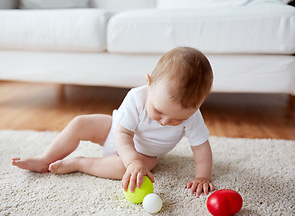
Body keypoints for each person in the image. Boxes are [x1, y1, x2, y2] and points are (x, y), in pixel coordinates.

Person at [12, 46, 215, 197]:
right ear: (149, 82)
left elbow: (201, 148)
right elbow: (122, 134)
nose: (164, 121)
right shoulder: (136, 97)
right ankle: (45, 159)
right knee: (80, 123)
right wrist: (132, 160)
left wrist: (203, 176)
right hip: (114, 131)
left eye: (178, 119)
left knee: (131, 170)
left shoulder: (194, 116)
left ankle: (81, 164)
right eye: (158, 111)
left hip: (145, 153)